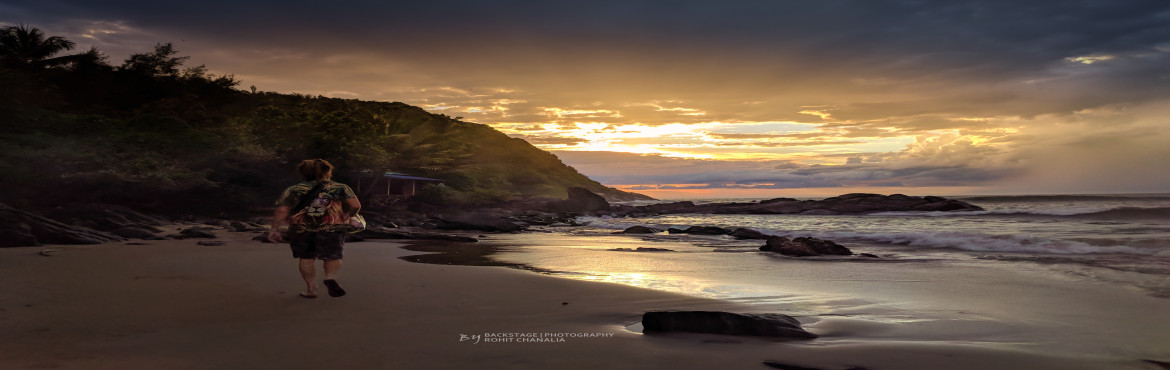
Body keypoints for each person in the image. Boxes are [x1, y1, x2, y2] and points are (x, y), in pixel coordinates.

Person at [268, 159, 361, 298]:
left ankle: (311, 289)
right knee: (332, 256)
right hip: (331, 228)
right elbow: (355, 205)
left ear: (303, 172)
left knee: (306, 259)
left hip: (301, 229)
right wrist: (348, 215)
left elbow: (282, 211)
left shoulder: (294, 189)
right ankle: (330, 278)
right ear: (327, 171)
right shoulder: (340, 187)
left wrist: (274, 229)